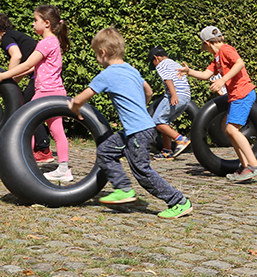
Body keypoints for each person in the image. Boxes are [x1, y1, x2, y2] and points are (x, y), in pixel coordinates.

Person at [68, 28, 193, 218]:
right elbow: (149, 91)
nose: (96, 58)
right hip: (141, 128)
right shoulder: (131, 69)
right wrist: (140, 109)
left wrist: (75, 109)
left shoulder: (107, 75)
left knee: (142, 171)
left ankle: (179, 201)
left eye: (96, 54)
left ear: (102, 52)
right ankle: (123, 189)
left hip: (137, 131)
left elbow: (79, 99)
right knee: (106, 151)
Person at [0, 5, 72, 183]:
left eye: (35, 20)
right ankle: (63, 169)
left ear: (46, 23)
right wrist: (10, 82)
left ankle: (23, 164)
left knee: (24, 125)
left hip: (47, 92)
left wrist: (3, 76)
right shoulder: (51, 42)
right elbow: (32, 68)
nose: (33, 24)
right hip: (53, 91)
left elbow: (26, 65)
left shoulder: (46, 43)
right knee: (55, 131)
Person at [179, 26, 257, 182]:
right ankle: (245, 167)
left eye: (202, 45)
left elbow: (239, 63)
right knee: (229, 130)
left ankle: (253, 165)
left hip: (242, 93)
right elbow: (205, 75)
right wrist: (189, 72)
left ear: (207, 43)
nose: (203, 48)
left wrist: (222, 80)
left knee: (231, 129)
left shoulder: (225, 49)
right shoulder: (217, 58)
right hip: (236, 95)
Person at [0, 13, 53, 163]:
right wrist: (10, 86)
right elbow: (23, 68)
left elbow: (16, 56)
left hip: (41, 74)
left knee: (27, 108)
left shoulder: (7, 37)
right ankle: (37, 148)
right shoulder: (14, 35)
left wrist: (4, 77)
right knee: (26, 106)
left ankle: (43, 149)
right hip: (40, 73)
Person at [146, 46, 192, 159]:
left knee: (156, 121)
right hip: (186, 97)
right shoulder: (174, 63)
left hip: (176, 95)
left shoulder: (162, 64)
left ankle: (181, 140)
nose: (155, 65)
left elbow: (168, 79)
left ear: (156, 58)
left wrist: (173, 94)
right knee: (164, 122)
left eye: (153, 63)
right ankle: (167, 151)